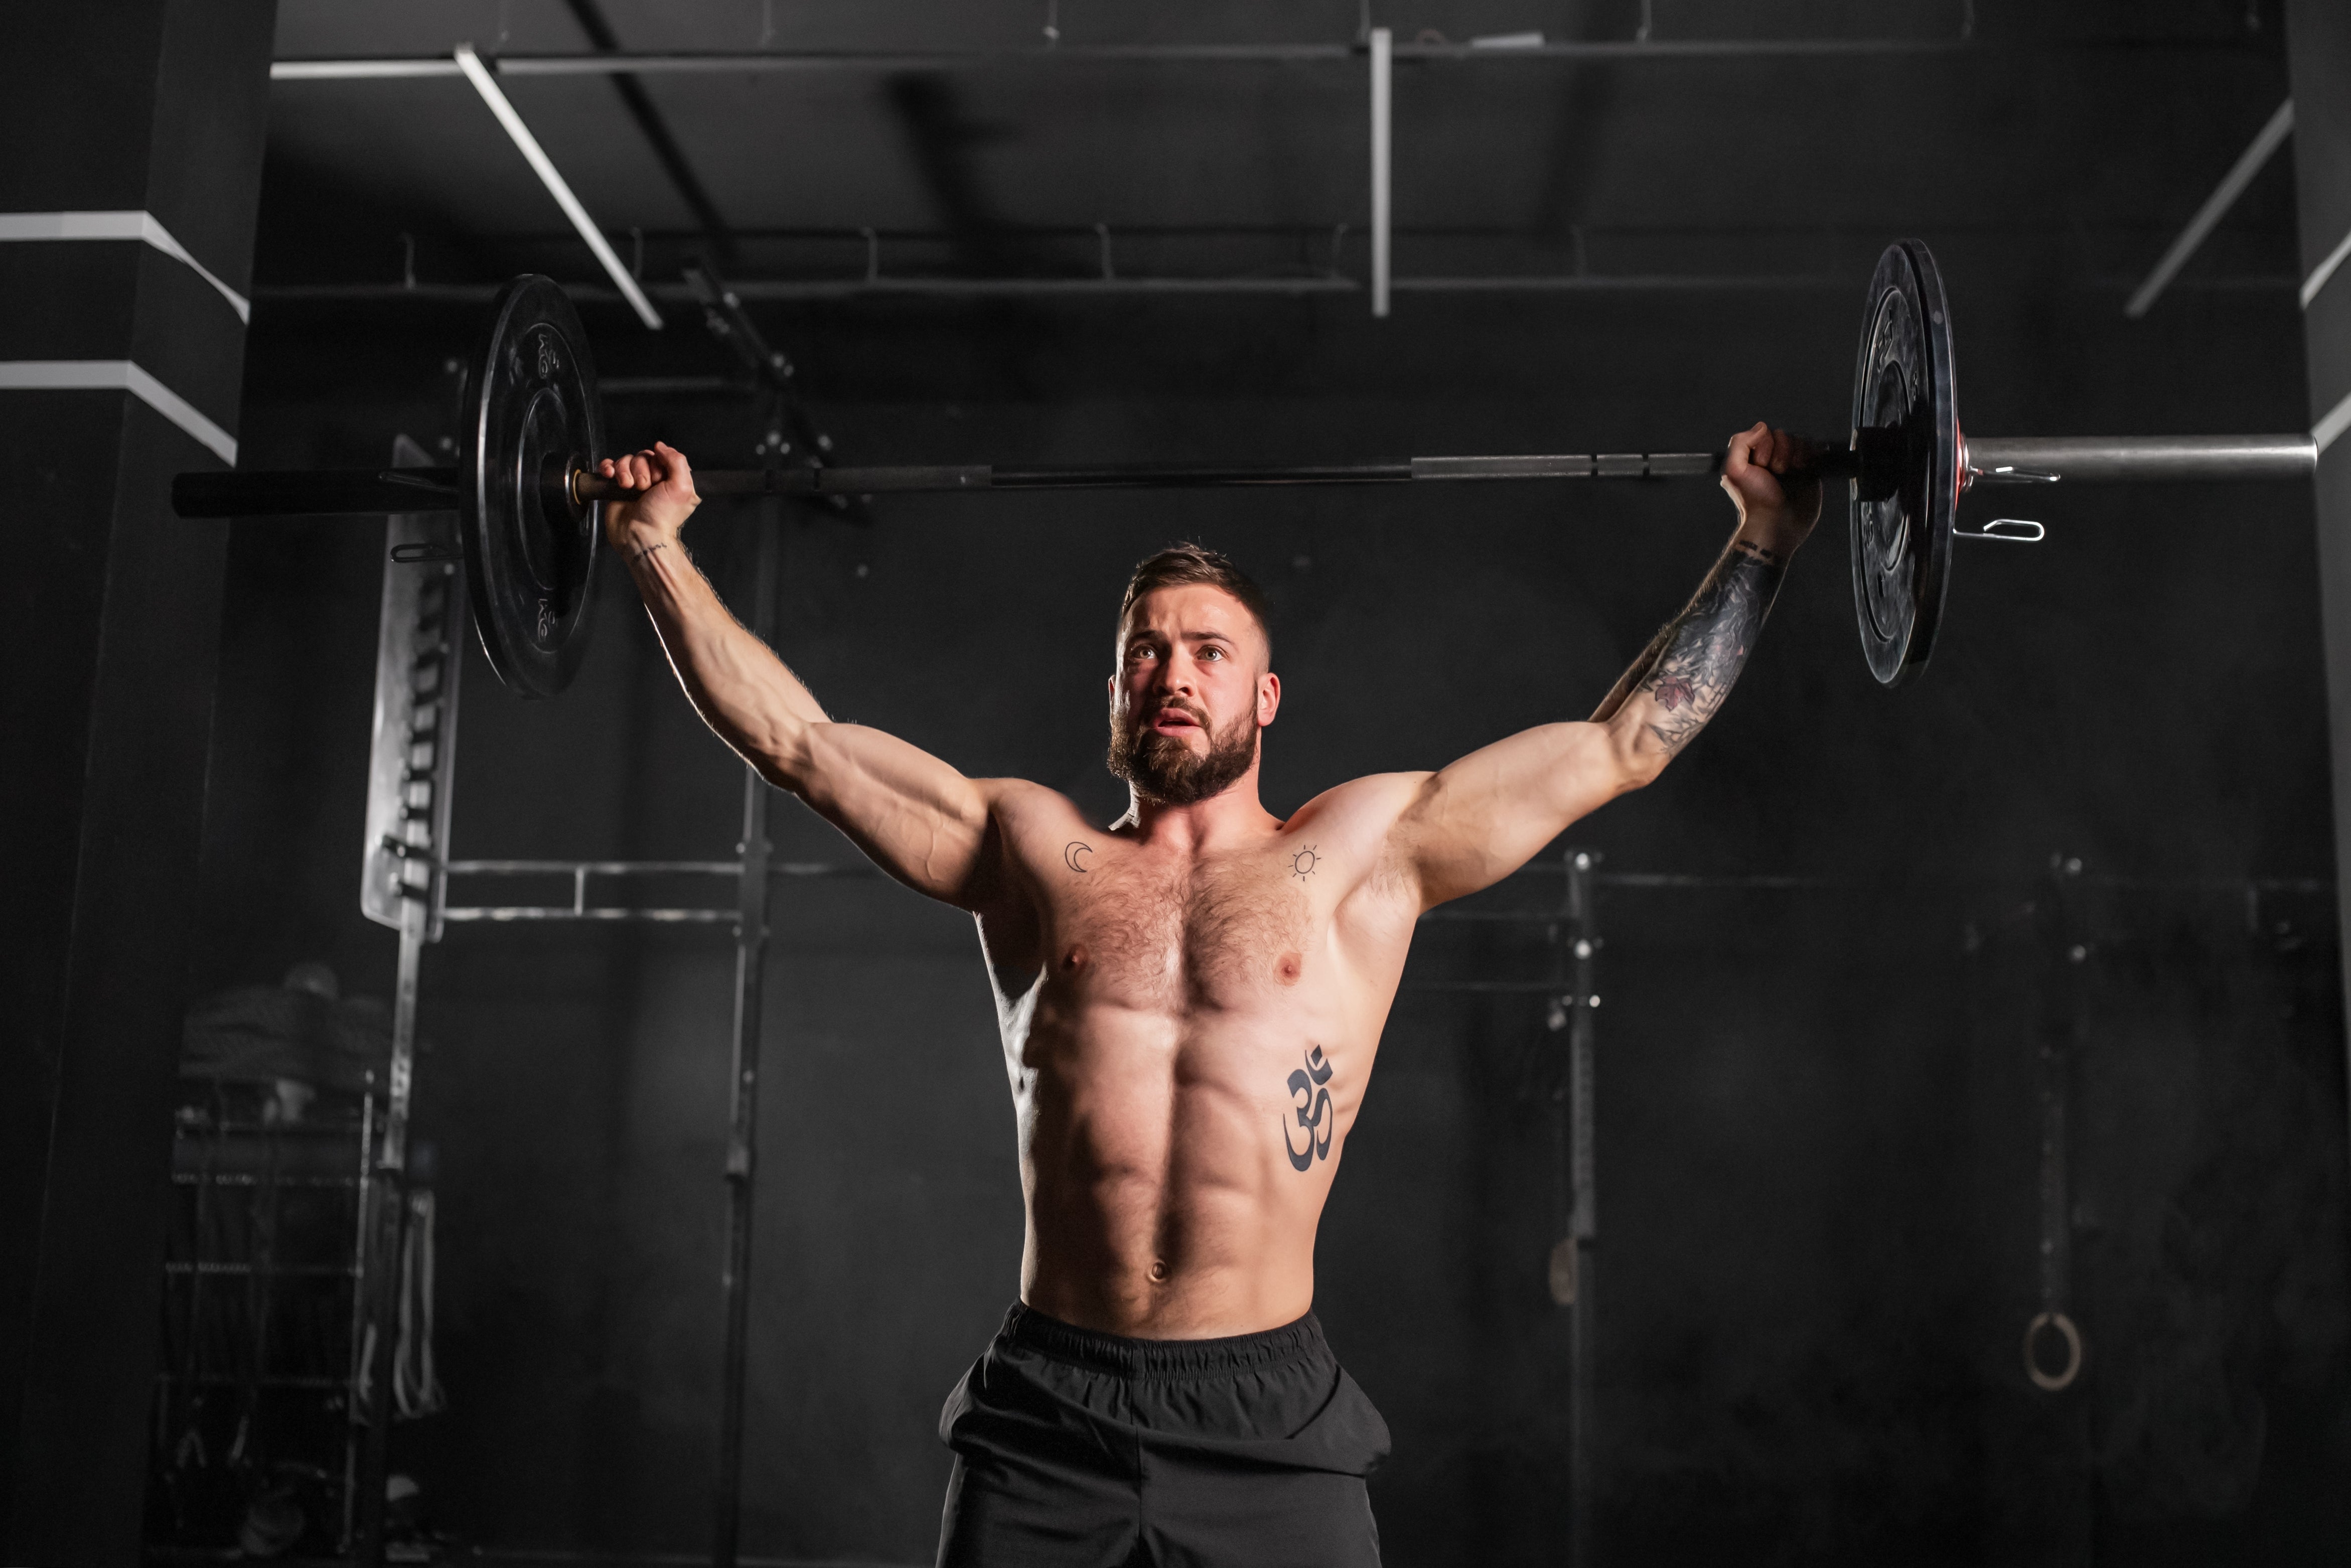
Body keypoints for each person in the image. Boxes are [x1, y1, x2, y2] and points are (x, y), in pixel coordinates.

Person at [598, 424, 1822, 1566]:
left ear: (1264, 698)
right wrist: (654, 547)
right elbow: (799, 746)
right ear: (1115, 689)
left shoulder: (1364, 852)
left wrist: (1763, 539)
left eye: (1208, 652)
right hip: (1048, 1413)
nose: (1172, 674)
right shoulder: (1031, 853)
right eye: (1146, 650)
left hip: (1267, 1415)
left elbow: (1624, 746)